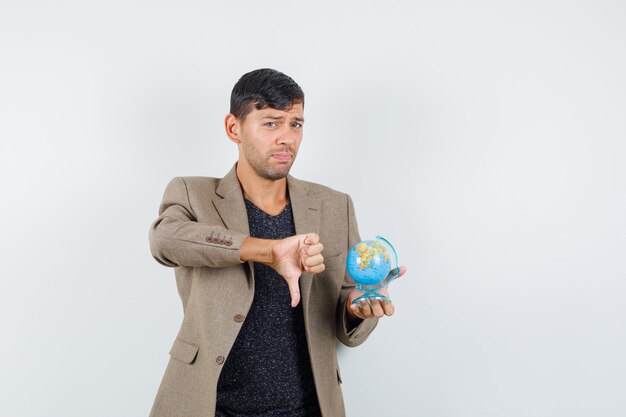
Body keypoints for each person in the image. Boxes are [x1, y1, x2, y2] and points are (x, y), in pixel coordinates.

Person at [148, 68, 406, 417]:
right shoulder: (193, 194)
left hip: (307, 409)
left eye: (295, 124)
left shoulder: (334, 205)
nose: (287, 138)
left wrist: (356, 309)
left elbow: (349, 318)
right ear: (233, 128)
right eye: (271, 123)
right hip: (209, 406)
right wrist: (268, 250)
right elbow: (164, 240)